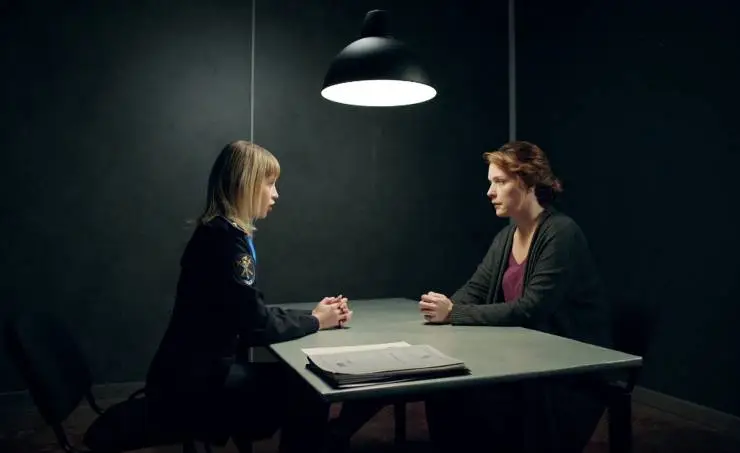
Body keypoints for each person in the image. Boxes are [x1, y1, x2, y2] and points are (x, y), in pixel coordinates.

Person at [144, 140, 353, 453]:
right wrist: (316, 321)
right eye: (269, 183)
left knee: (298, 383)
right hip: (196, 386)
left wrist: (313, 316)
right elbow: (256, 325)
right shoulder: (227, 243)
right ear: (246, 185)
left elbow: (249, 310)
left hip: (183, 374)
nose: (276, 194)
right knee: (310, 388)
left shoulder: (218, 233)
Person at [418, 140, 612, 453]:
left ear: (527, 183)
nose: (489, 192)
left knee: (470, 395)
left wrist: (453, 313)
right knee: (444, 389)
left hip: (566, 371)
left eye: (500, 182)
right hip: (524, 357)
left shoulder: (561, 232)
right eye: (490, 182)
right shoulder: (507, 236)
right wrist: (441, 308)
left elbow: (531, 309)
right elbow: (476, 289)